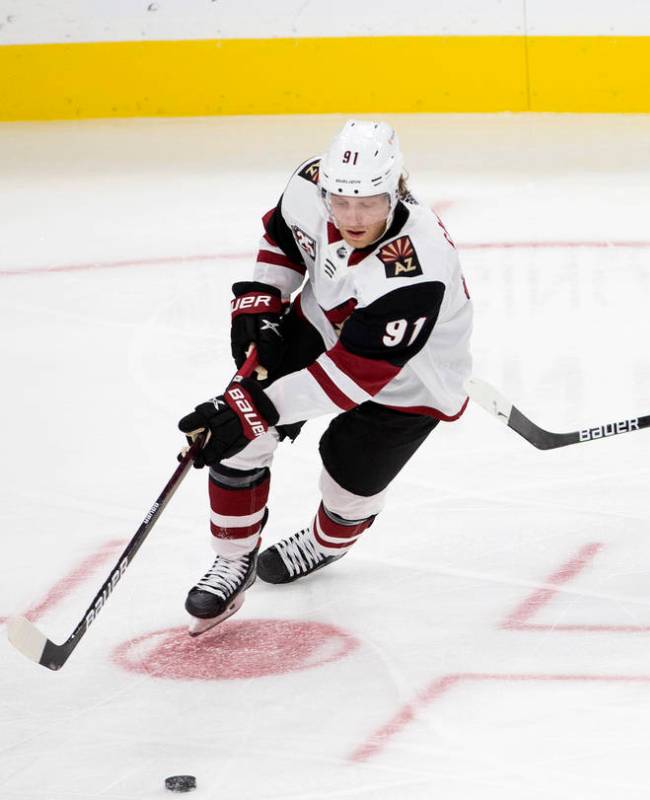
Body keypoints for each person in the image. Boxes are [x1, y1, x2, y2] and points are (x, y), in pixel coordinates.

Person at [177, 120, 473, 633]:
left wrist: (256, 409)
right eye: (341, 200)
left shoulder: (417, 269)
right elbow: (284, 242)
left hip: (410, 378)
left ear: (396, 190)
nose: (352, 217)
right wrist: (263, 300)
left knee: (347, 488)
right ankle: (233, 559)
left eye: (369, 203)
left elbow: (353, 377)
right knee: (237, 439)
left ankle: (323, 545)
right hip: (324, 319)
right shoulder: (309, 185)